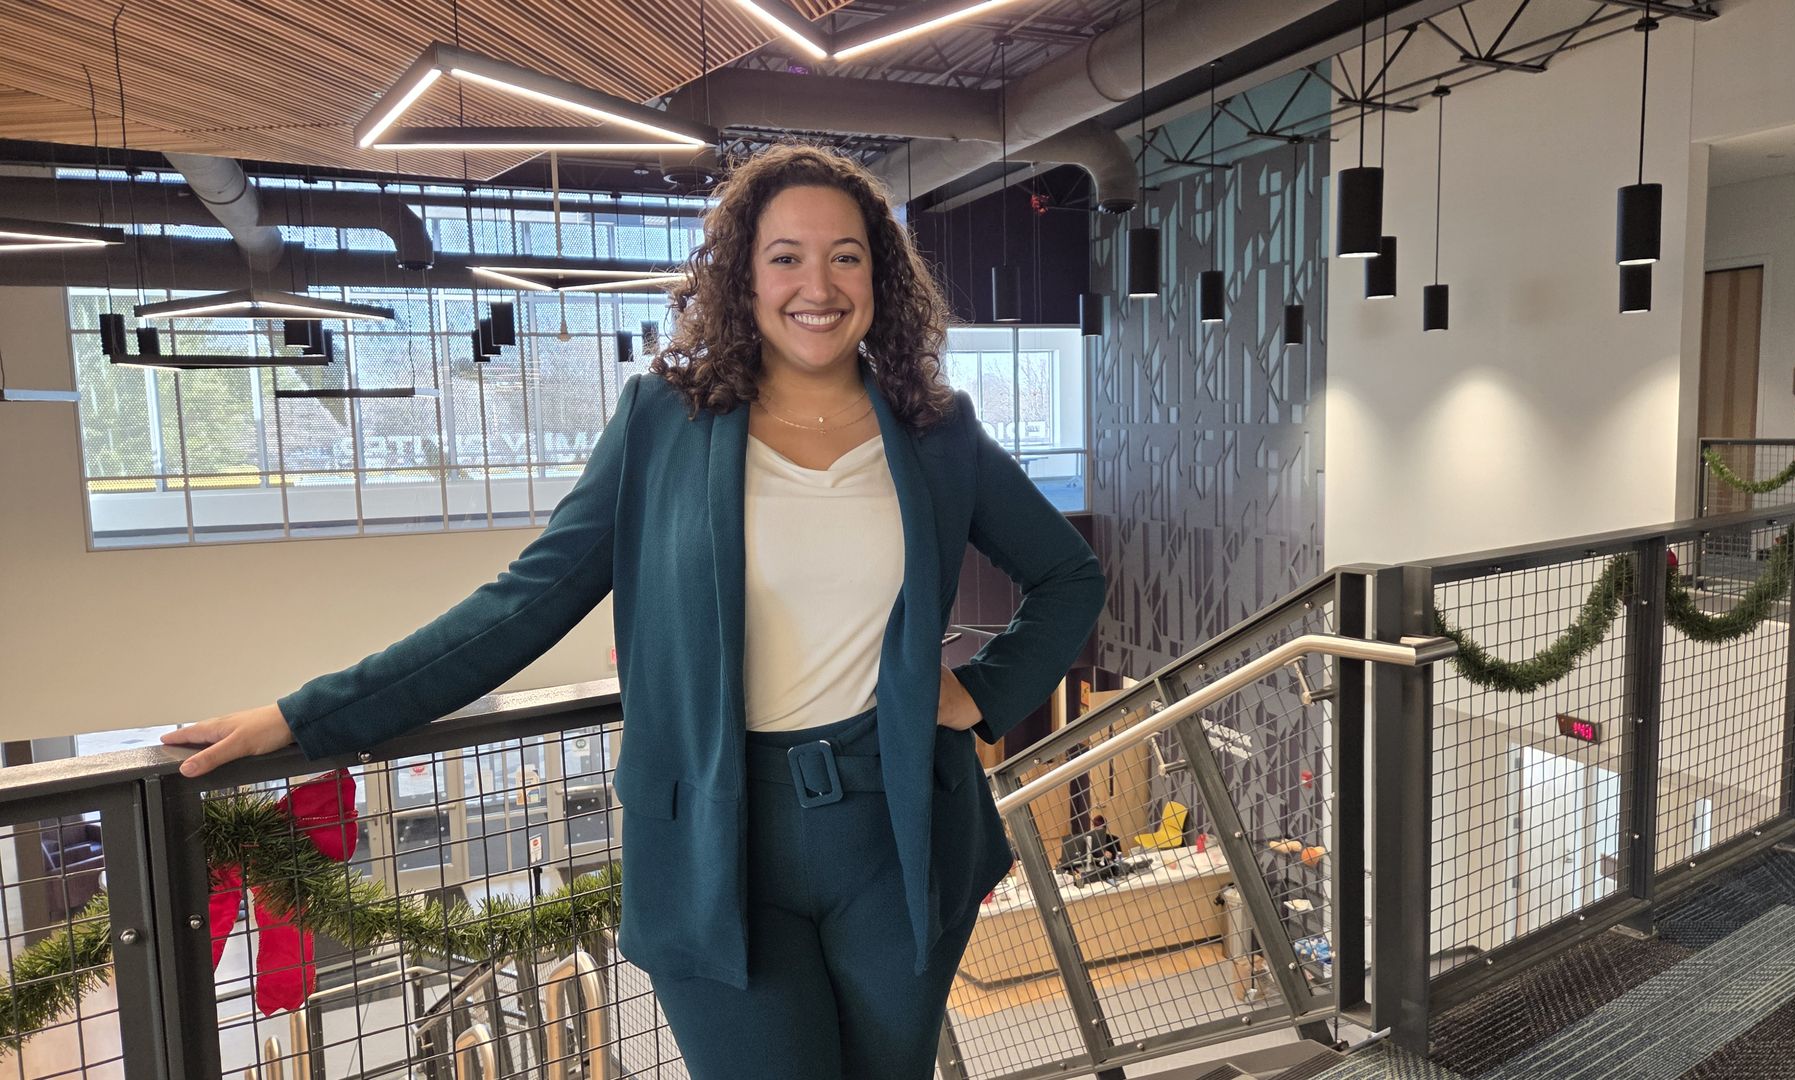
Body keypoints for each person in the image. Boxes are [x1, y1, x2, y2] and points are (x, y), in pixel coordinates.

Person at [162, 143, 1106, 1080]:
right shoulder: (664, 422)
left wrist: (980, 693)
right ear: (742, 274)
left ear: (879, 276)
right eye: (786, 257)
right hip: (717, 843)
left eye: (845, 255)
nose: (816, 284)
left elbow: (1070, 578)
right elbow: (523, 604)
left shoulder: (937, 433)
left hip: (895, 832)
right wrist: (303, 716)